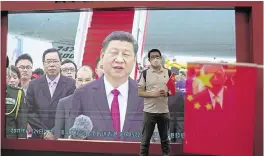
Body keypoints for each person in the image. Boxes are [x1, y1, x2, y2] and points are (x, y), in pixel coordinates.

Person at [70, 31, 144, 141]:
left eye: (126, 54)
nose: (119, 60)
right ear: (102, 56)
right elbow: (73, 141)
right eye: (114, 53)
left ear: (134, 60)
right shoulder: (82, 94)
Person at [26, 48, 76, 139]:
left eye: (55, 61)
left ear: (60, 63)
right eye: (48, 62)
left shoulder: (71, 84)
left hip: (61, 137)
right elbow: (29, 112)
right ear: (43, 64)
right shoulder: (33, 85)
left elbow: (70, 112)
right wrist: (44, 132)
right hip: (38, 138)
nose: (52, 65)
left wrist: (54, 132)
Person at [138, 49, 171, 156]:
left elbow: (172, 91)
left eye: (157, 56)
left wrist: (167, 93)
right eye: (153, 57)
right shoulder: (145, 73)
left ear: (161, 58)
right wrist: (154, 94)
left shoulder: (169, 72)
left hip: (164, 112)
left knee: (165, 141)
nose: (155, 59)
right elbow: (140, 92)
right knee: (145, 142)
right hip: (149, 112)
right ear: (149, 60)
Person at [48, 65, 95, 140]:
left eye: (87, 80)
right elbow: (58, 135)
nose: (83, 83)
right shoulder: (63, 103)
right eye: (80, 80)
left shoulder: (101, 103)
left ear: (93, 81)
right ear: (75, 81)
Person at [5, 56, 27, 138]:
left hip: (11, 138)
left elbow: (22, 122)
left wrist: (22, 140)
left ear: (19, 80)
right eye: (8, 77)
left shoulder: (19, 94)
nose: (12, 80)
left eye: (15, 77)